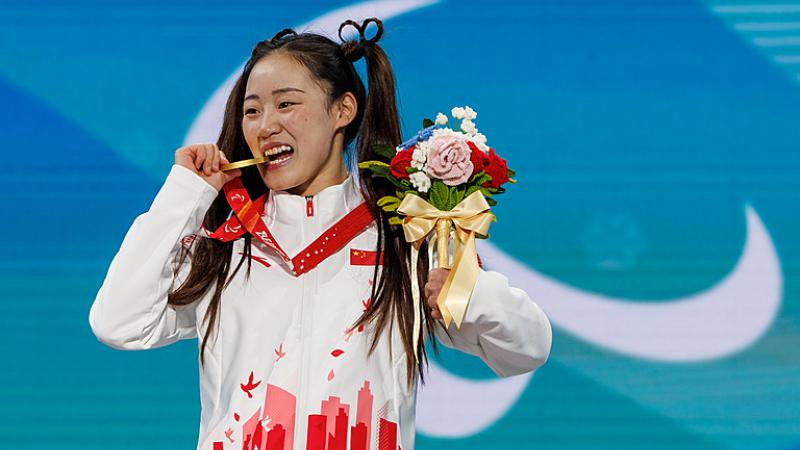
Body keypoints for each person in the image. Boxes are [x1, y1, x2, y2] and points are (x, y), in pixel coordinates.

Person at [88, 17, 552, 450]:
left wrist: (471, 294)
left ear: (342, 110)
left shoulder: (403, 238)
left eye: (286, 104)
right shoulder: (227, 242)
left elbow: (526, 350)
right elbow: (118, 323)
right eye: (252, 110)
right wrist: (185, 194)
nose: (266, 125)